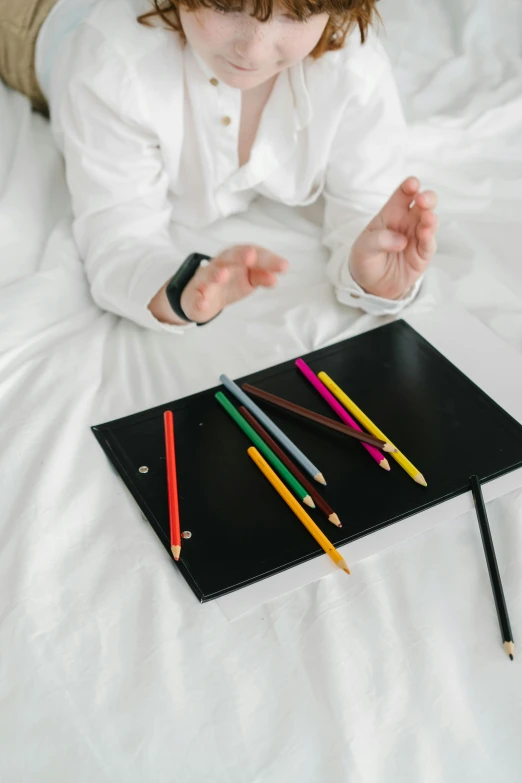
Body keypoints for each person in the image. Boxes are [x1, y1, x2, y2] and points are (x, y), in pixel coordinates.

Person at [0, 0, 438, 331]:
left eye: (294, 14)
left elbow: (368, 211)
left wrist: (374, 277)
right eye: (227, 3)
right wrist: (180, 289)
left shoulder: (353, 68)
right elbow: (118, 232)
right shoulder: (113, 67)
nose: (253, 48)